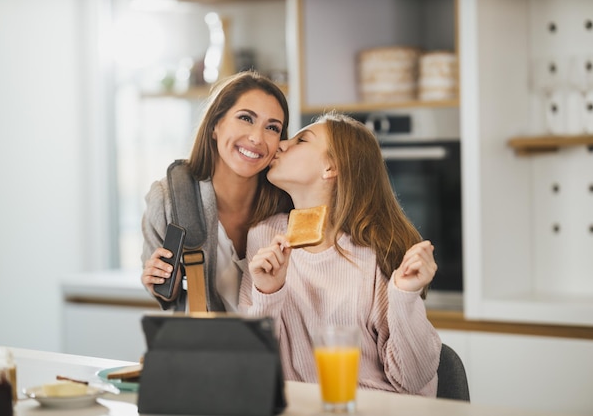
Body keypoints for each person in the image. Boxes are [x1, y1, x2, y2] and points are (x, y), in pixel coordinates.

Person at [239, 112, 442, 396]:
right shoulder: (263, 237)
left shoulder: (374, 250)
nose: (282, 144)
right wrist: (268, 293)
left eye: (301, 140)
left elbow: (412, 378)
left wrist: (405, 296)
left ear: (331, 168)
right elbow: (249, 365)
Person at [141, 70, 292, 312]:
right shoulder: (170, 200)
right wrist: (163, 284)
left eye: (272, 128)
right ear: (215, 125)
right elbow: (168, 298)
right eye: (246, 118)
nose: (256, 138)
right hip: (206, 345)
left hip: (279, 348)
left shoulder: (290, 204)